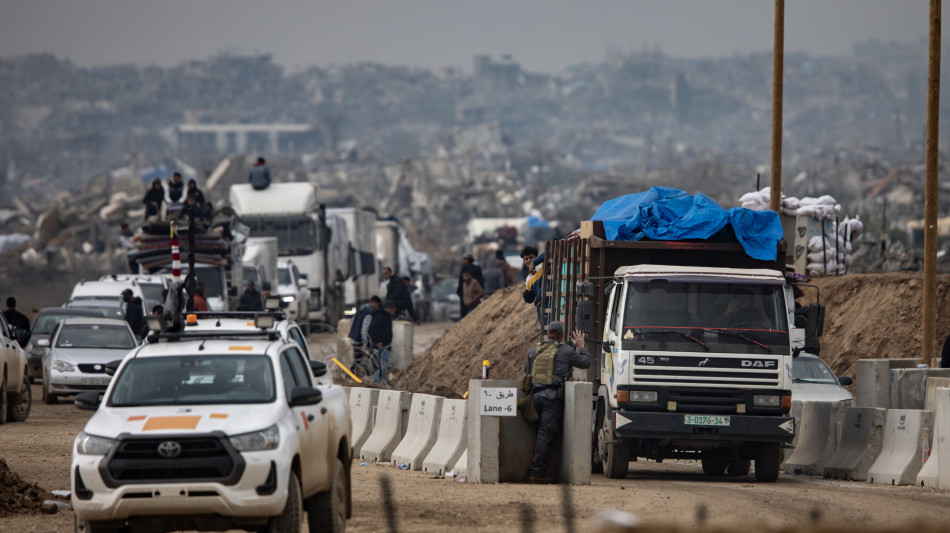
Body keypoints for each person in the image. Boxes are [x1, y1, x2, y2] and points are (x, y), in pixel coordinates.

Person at [524, 321, 591, 482]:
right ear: (561, 336)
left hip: (534, 398)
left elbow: (527, 373)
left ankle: (540, 469)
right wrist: (580, 346)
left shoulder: (534, 351)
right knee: (545, 434)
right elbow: (585, 363)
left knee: (540, 434)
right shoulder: (566, 351)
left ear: (548, 334)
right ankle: (536, 472)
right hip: (551, 399)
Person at [364, 300, 397, 383]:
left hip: (385, 345)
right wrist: (378, 341)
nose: (393, 313)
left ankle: (383, 382)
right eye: (393, 311)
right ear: (390, 308)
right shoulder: (381, 316)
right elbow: (373, 329)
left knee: (384, 365)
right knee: (387, 365)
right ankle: (375, 380)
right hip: (381, 346)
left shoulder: (385, 316)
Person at [349, 296, 382, 370]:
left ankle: (350, 375)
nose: (377, 307)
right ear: (374, 303)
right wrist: (365, 343)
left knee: (358, 360)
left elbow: (352, 322)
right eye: (377, 305)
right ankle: (378, 375)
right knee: (373, 359)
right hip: (362, 341)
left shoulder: (361, 309)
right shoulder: (369, 313)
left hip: (355, 339)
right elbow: (364, 330)